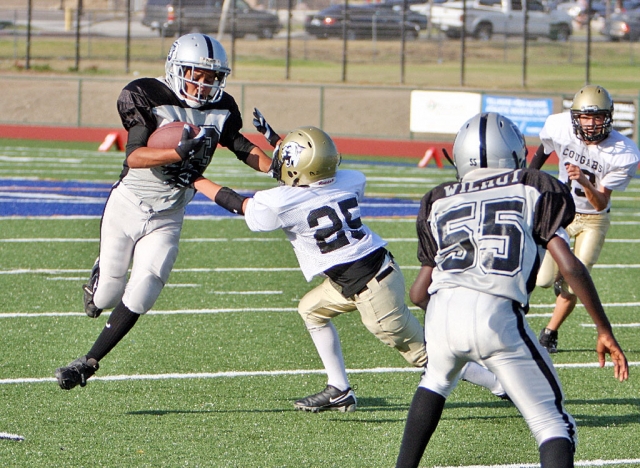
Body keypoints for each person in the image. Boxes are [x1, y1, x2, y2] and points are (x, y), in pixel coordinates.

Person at [193, 123, 508, 412]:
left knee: (427, 356)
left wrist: (194, 178)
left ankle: (501, 385)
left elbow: (242, 204)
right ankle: (339, 388)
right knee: (311, 309)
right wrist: (279, 142)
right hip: (367, 271)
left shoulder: (284, 202)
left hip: (370, 288)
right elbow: (307, 170)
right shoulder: (348, 180)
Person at [395, 112, 629, 468]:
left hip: (440, 312)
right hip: (498, 311)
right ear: (516, 153)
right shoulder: (534, 185)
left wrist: (452, 313)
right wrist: (604, 329)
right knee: (554, 424)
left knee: (435, 382)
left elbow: (416, 294)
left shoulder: (437, 198)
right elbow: (569, 266)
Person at [54, 33, 273, 390]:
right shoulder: (147, 95)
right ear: (176, 69)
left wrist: (281, 164)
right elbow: (135, 156)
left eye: (211, 77)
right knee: (106, 296)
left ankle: (88, 362)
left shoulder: (221, 107)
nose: (203, 84)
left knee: (146, 286)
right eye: (195, 74)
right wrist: (177, 153)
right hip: (128, 204)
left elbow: (243, 148)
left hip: (169, 213)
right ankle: (99, 277)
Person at [530, 84, 640, 353]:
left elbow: (602, 202)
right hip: (562, 212)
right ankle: (560, 278)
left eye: (597, 117)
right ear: (574, 117)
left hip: (593, 219)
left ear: (609, 118)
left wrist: (585, 182)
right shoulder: (559, 127)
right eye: (584, 117)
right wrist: (526, 179)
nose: (590, 124)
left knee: (574, 283)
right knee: (543, 280)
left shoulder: (623, 152)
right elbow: (543, 151)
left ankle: (549, 333)